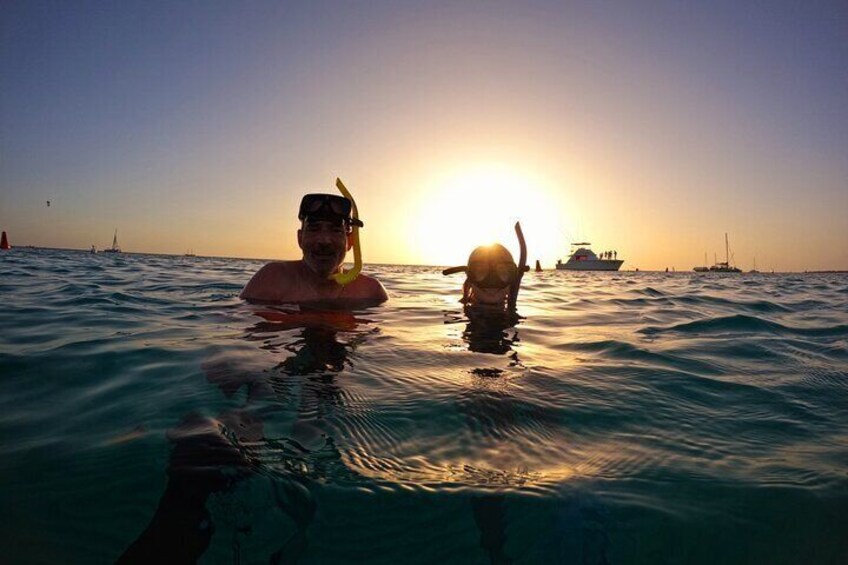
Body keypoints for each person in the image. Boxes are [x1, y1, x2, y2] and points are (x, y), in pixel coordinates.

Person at [241, 187, 387, 305]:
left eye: (336, 230)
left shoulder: (370, 291)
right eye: (314, 229)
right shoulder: (271, 280)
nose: (324, 240)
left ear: (350, 242)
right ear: (300, 238)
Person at [443, 222, 528, 311]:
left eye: (502, 272)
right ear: (470, 279)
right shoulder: (457, 311)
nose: (492, 281)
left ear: (511, 280)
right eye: (481, 271)